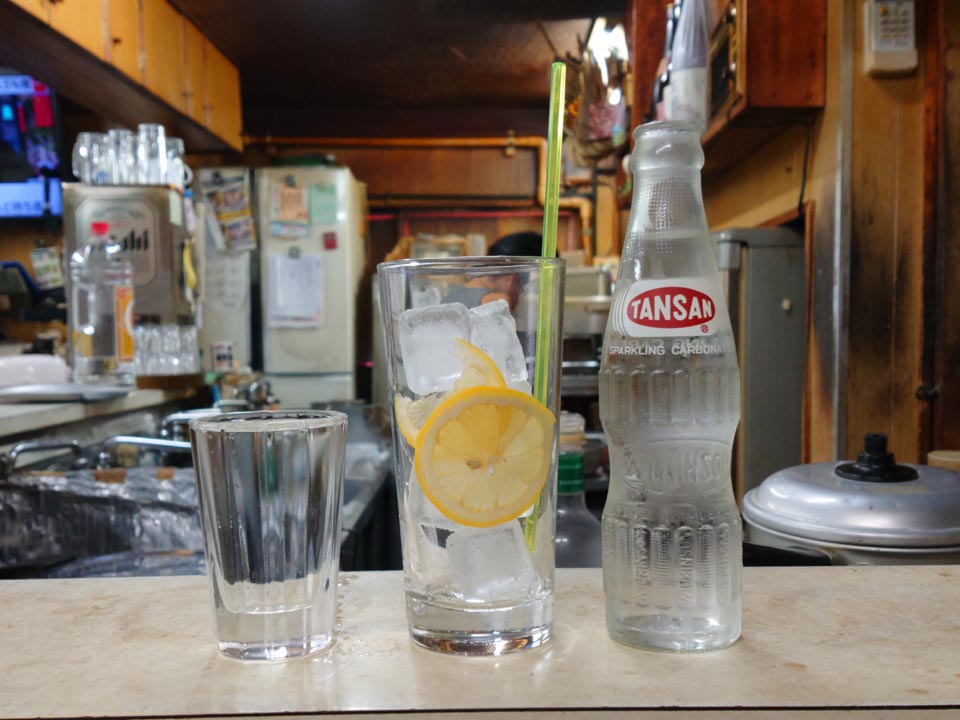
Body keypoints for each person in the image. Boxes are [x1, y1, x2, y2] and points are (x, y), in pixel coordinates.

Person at [443, 231, 546, 308]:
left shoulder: (452, 295)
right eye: (522, 288)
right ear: (511, 279)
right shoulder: (497, 301)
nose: (520, 295)